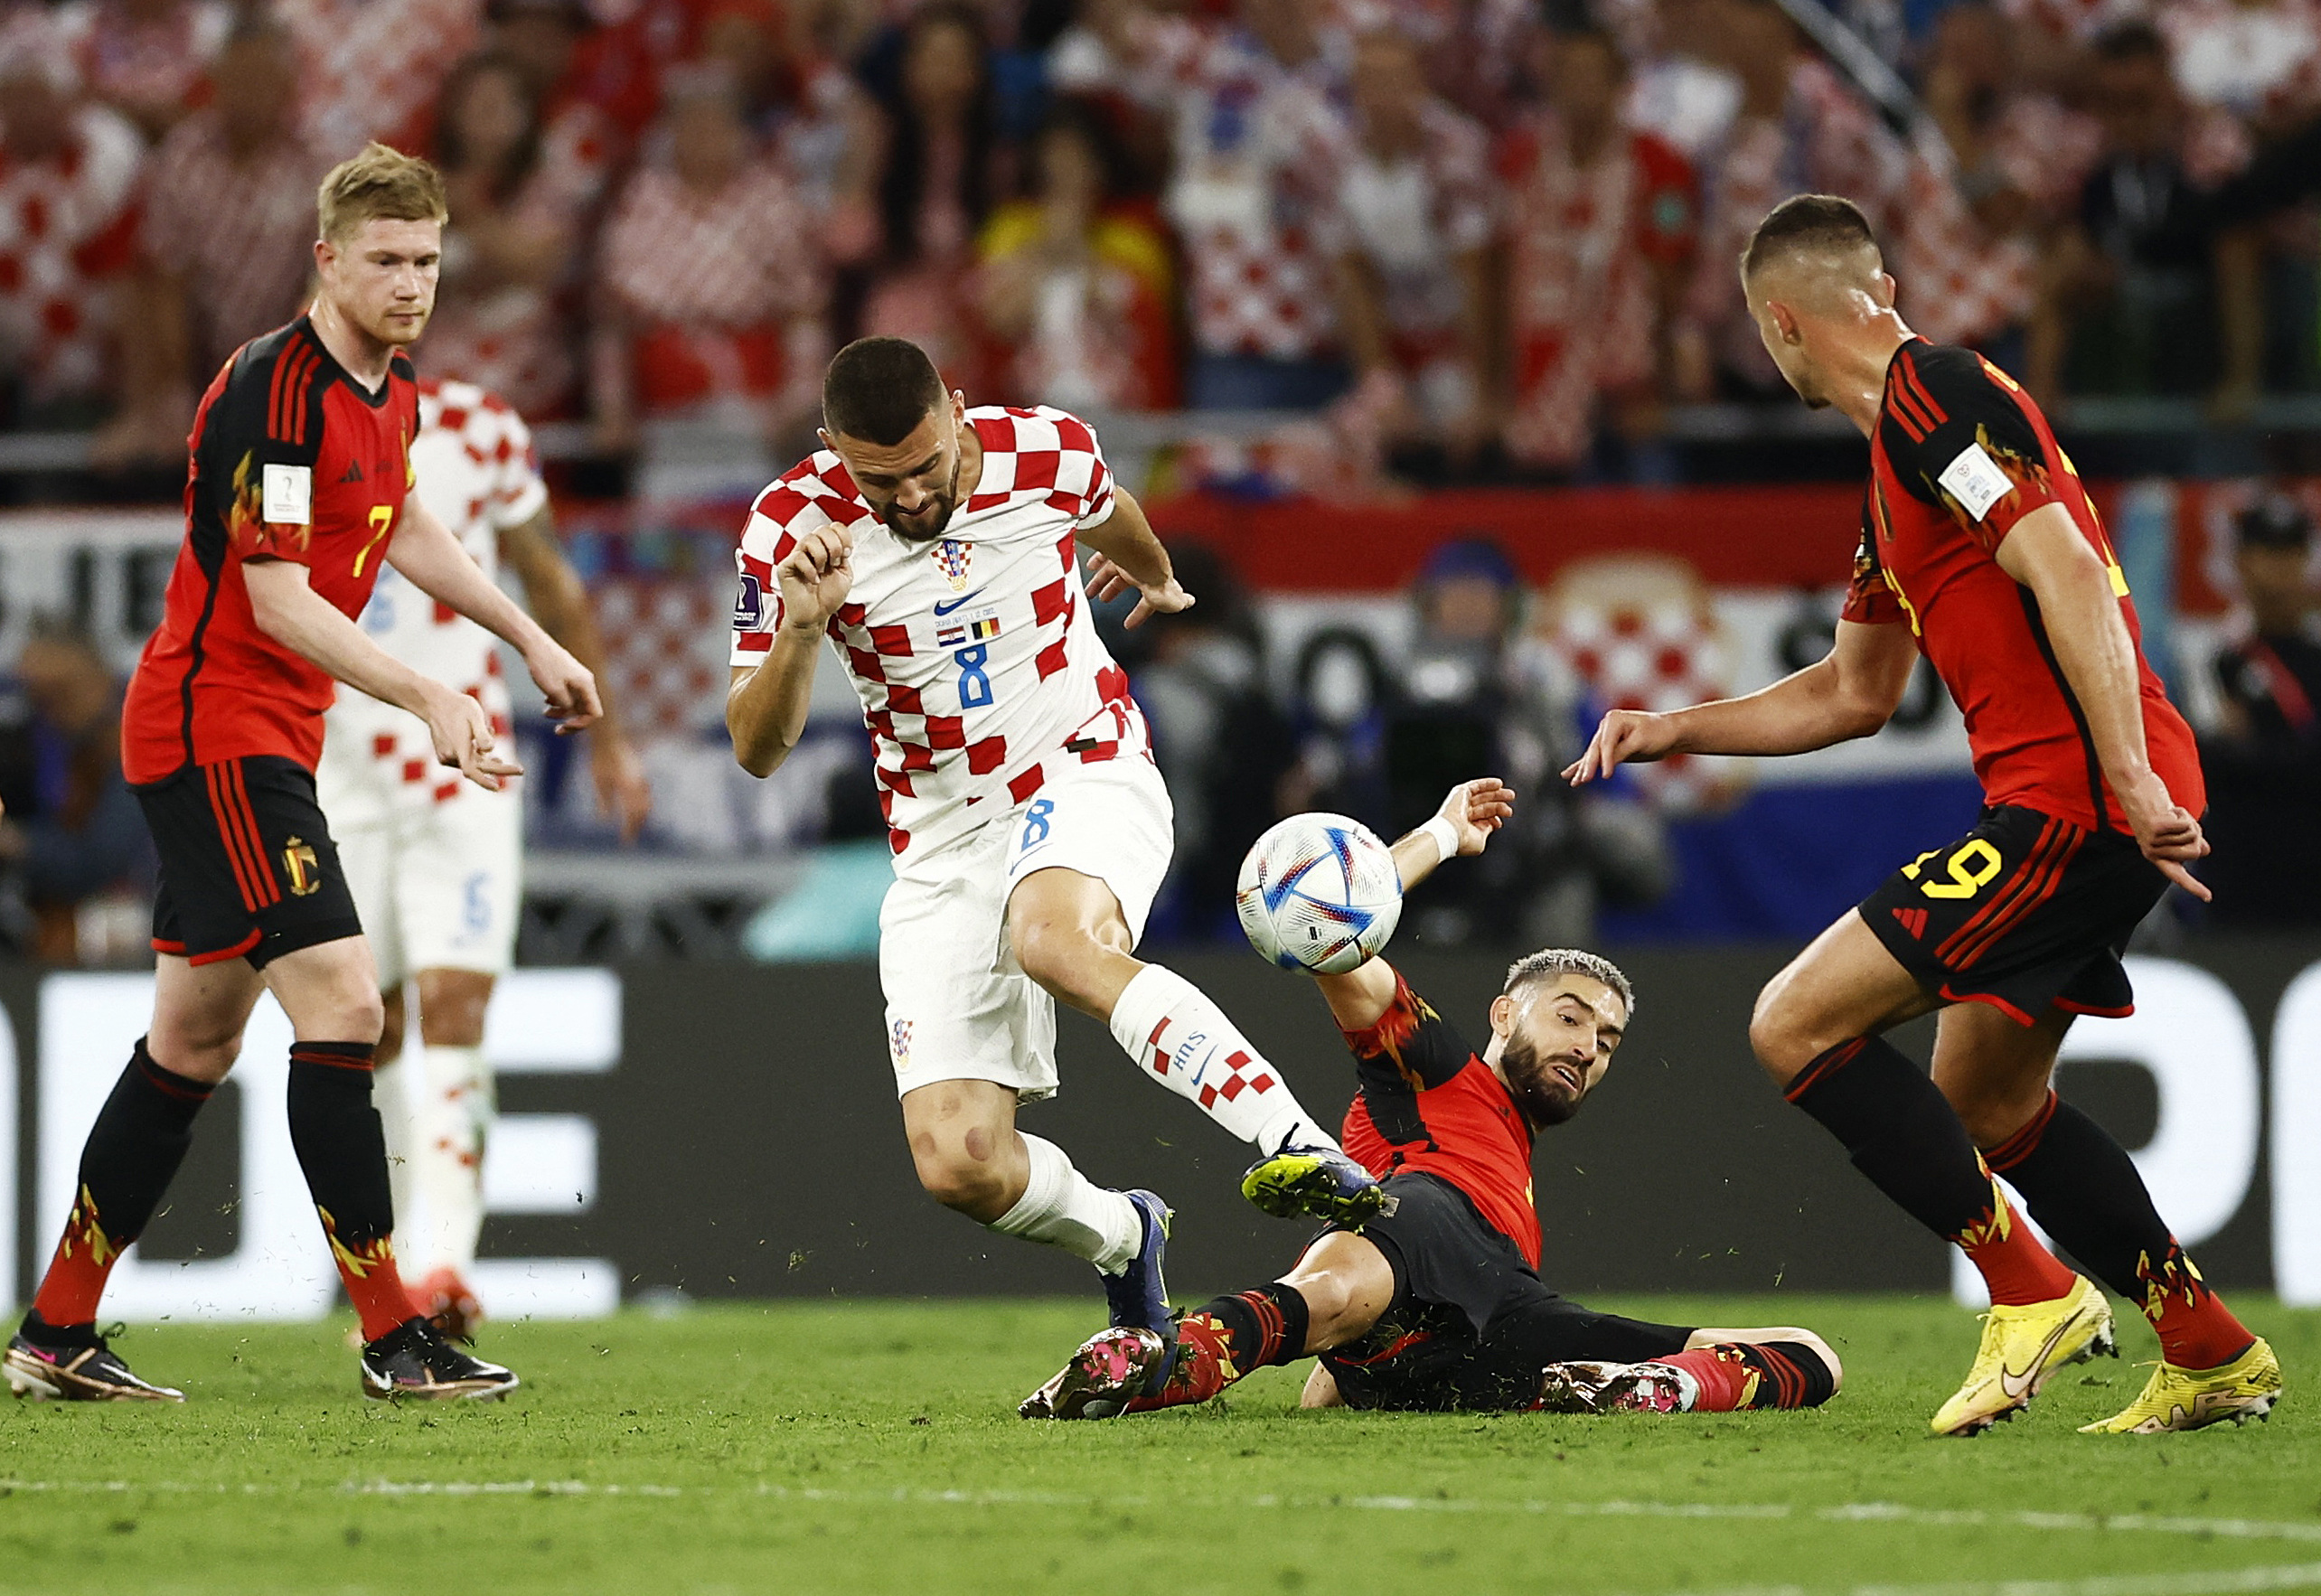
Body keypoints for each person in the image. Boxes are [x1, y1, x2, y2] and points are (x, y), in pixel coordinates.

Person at [1566, 193, 2279, 1438]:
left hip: (2075, 797)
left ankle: (2033, 1290)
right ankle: (2208, 1345)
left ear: (1784, 321)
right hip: (2087, 792)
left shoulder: (1931, 399)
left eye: (1759, 333)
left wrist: (2124, 776)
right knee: (1989, 1102)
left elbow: (2059, 564)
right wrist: (1669, 727)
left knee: (1793, 1021)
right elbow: (1854, 693)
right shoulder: (1894, 473)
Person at [3, 143, 601, 1405]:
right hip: (216, 727)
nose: (411, 284)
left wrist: (528, 637)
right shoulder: (276, 389)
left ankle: (54, 1329)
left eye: (428, 261)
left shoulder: (392, 394)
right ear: (325, 259)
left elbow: (410, 525)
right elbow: (274, 598)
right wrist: (427, 689)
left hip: (259, 734)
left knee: (192, 1038)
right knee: (346, 1007)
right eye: (385, 260)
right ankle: (397, 1332)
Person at [726, 335, 1389, 1349]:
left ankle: (1295, 1141)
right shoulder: (789, 529)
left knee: (1055, 939)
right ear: (829, 448)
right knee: (961, 1163)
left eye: (923, 468)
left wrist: (1155, 578)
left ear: (958, 408)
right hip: (943, 843)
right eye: (876, 479)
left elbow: (1110, 505)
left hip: (1083, 768)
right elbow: (755, 748)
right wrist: (803, 631)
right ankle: (1127, 1233)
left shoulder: (1045, 450)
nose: (906, 499)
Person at [1020, 776, 1842, 1421]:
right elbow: (1336, 935)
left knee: (1811, 1356)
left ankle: (1646, 1388)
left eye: (1607, 1039)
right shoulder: (1440, 1073)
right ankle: (1149, 1363)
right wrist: (1441, 837)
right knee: (1346, 1280)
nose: (1587, 1046)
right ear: (1503, 1013)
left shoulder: (1514, 1168)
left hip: (1506, 1315)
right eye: (1570, 1016)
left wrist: (1339, 1383)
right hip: (1416, 1227)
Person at [318, 375, 651, 1338]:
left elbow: (548, 575)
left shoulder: (478, 424)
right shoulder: (277, 416)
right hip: (333, 769)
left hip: (462, 763)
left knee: (455, 1005)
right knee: (363, 1026)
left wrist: (609, 739)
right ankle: (386, 1272)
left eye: (415, 264)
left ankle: (445, 1269)